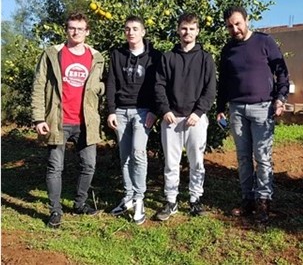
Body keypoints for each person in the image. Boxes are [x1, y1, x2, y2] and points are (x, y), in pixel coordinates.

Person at [31, 12, 105, 228]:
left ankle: (80, 203)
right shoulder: (53, 54)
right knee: (55, 166)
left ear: (87, 31)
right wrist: (38, 118)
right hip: (58, 120)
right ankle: (55, 211)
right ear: (66, 30)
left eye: (80, 28)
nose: (76, 32)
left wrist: (98, 89)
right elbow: (38, 85)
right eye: (72, 28)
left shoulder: (96, 57)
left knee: (89, 165)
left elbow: (100, 83)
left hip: (85, 121)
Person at [216, 6, 289, 223]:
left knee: (263, 157)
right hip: (236, 109)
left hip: (262, 108)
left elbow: (281, 71)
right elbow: (224, 83)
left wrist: (280, 98)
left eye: (238, 23)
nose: (235, 29)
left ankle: (263, 202)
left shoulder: (265, 42)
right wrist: (220, 108)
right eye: (230, 26)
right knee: (243, 157)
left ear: (247, 20)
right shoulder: (228, 50)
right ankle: (247, 199)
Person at [154, 13, 217, 221]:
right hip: (171, 119)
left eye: (191, 28)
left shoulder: (206, 58)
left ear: (197, 31)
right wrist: (165, 110)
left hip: (195, 120)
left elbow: (210, 89)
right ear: (178, 30)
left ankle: (195, 200)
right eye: (183, 28)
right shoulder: (168, 57)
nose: (187, 32)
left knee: (197, 161)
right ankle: (171, 201)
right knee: (171, 163)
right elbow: (159, 86)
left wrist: (198, 112)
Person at [105, 16, 162, 225]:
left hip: (143, 112)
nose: (131, 32)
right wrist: (111, 110)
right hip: (121, 111)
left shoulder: (155, 57)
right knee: (124, 156)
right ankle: (128, 196)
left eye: (135, 29)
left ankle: (140, 198)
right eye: (127, 29)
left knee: (138, 153)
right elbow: (111, 83)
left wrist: (154, 111)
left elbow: (159, 85)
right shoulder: (117, 55)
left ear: (143, 32)